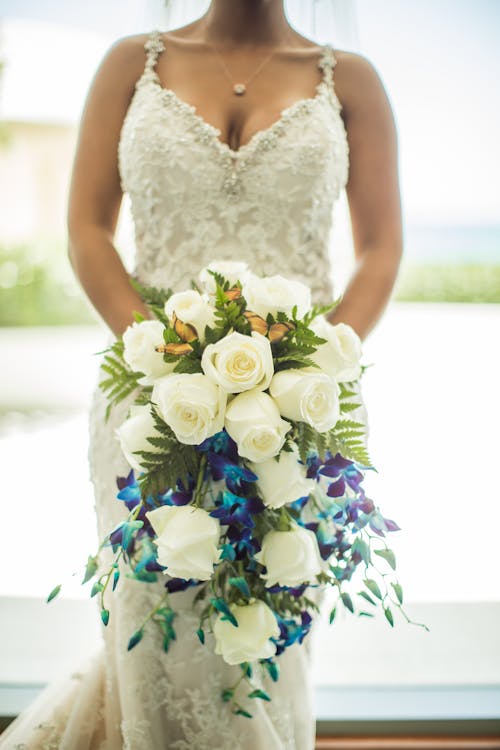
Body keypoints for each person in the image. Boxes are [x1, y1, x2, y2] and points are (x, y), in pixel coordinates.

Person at [0, 0, 402, 747]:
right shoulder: (131, 64)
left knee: (264, 635)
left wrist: (308, 366)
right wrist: (164, 355)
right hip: (151, 404)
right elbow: (88, 230)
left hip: (298, 410)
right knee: (152, 620)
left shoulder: (351, 81)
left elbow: (380, 249)